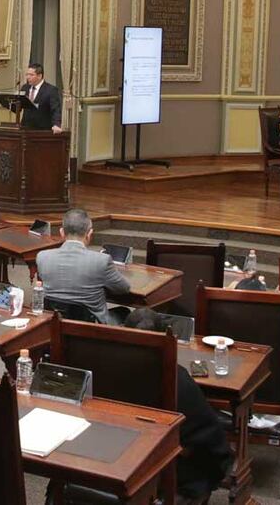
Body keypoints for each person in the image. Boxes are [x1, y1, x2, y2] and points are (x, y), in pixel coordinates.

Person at [124, 308, 232, 501]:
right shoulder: (175, 378)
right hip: (165, 472)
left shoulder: (105, 369)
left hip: (118, 462)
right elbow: (213, 445)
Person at [36, 208, 130, 324]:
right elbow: (124, 289)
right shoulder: (102, 261)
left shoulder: (42, 257)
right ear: (89, 234)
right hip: (91, 328)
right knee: (124, 312)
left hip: (54, 324)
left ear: (61, 233)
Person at [20, 63, 63, 133]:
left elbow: (55, 109)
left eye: (31, 75)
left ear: (39, 76)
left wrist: (56, 124)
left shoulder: (51, 90)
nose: (28, 77)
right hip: (25, 129)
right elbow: (20, 106)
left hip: (42, 130)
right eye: (27, 74)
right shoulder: (25, 88)